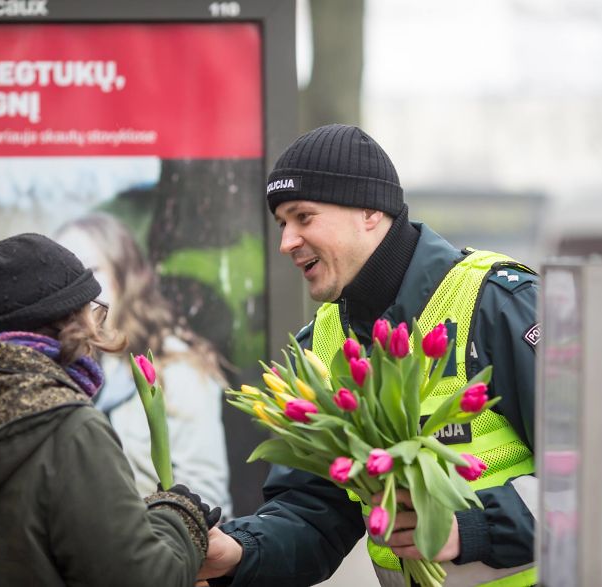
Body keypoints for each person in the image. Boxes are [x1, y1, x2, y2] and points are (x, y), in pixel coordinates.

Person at [201, 125, 538, 587]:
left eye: (303, 217)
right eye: (283, 224)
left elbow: (599, 475)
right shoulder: (317, 347)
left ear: (369, 210)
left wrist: (472, 528)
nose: (287, 242)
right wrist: (240, 550)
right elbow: (314, 513)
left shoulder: (498, 303)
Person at [0, 233, 215, 586]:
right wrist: (179, 517)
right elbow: (143, 578)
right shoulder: (69, 429)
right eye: (92, 310)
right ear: (73, 321)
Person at [55, 214, 232, 518]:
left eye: (91, 270)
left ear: (123, 276)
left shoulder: (176, 366)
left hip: (154, 551)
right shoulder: (50, 367)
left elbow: (207, 495)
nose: (77, 288)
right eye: (65, 276)